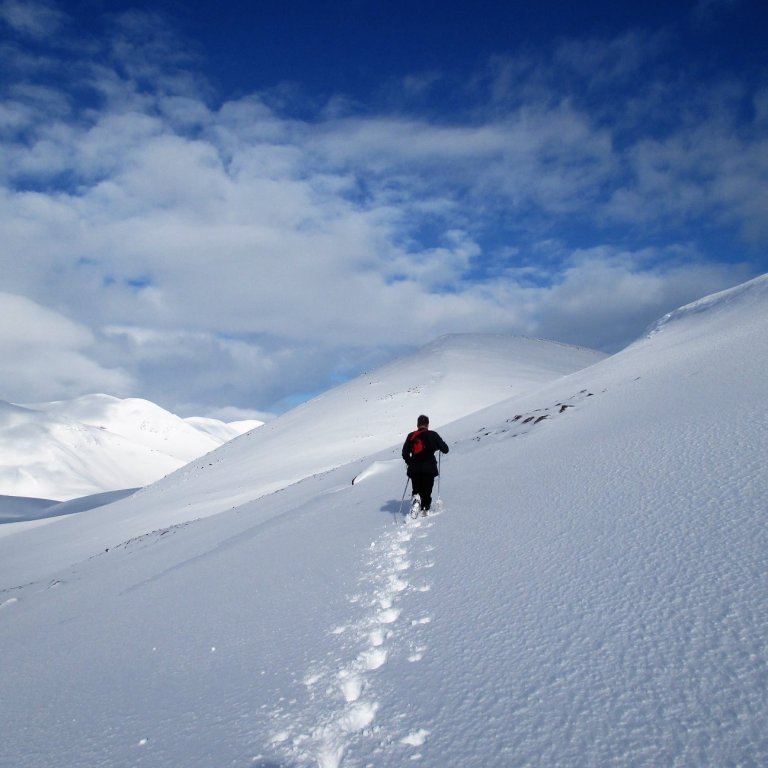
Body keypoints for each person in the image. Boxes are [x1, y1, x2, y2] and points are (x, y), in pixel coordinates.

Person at [401, 414, 449, 516]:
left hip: (415, 468)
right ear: (427, 424)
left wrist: (410, 462)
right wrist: (440, 445)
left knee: (416, 489)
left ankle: (416, 501)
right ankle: (425, 509)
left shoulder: (411, 436)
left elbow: (405, 453)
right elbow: (445, 449)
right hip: (429, 467)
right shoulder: (433, 435)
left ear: (418, 424)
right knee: (427, 491)